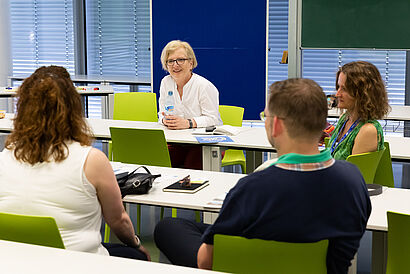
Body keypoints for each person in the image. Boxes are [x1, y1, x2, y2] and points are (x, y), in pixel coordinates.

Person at [154, 78, 371, 274]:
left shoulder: (253, 188)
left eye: (265, 115)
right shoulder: (353, 178)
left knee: (169, 227)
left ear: (275, 124)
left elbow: (205, 262)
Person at [0, 66, 150, 260]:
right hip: (78, 262)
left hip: (19, 260)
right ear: (73, 108)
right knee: (136, 256)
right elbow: (118, 220)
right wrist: (136, 243)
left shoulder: (5, 157)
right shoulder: (91, 160)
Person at [158, 40, 222, 169]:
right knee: (157, 161)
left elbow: (213, 119)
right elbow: (161, 114)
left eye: (180, 60)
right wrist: (165, 120)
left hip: (203, 143)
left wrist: (188, 123)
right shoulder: (166, 82)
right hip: (177, 140)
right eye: (170, 61)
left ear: (191, 63)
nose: (175, 65)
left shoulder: (204, 86)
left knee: (191, 168)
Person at [329, 61, 390, 160]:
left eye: (344, 89)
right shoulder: (344, 119)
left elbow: (354, 174)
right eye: (338, 87)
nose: (337, 94)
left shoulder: (368, 130)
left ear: (362, 94)